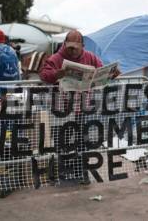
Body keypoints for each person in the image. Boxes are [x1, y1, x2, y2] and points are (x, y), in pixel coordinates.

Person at [39, 30, 105, 185]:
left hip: (82, 108)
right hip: (61, 110)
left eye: (76, 47)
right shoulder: (55, 58)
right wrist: (57, 74)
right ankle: (65, 177)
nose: (72, 50)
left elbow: (101, 71)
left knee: (82, 143)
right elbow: (43, 75)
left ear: (82, 45)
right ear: (64, 44)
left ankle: (82, 174)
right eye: (70, 47)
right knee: (62, 144)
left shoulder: (90, 57)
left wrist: (111, 74)